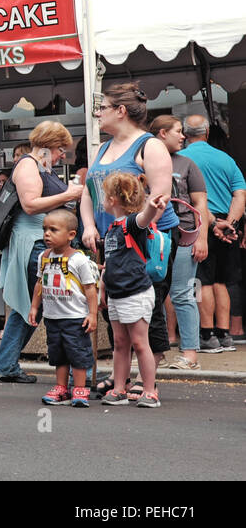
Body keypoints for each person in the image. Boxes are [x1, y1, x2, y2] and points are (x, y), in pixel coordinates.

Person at [79, 82, 178, 396]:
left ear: (120, 111)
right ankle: (121, 376)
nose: (97, 113)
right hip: (111, 238)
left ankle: (147, 376)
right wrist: (88, 226)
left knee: (148, 305)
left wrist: (132, 236)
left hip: (144, 240)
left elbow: (160, 200)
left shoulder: (150, 146)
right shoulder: (104, 147)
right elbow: (88, 191)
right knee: (116, 307)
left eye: (102, 107)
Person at [0, 121, 82, 383]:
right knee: (51, 303)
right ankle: (75, 372)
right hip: (34, 242)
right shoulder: (29, 165)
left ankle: (5, 364)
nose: (62, 155)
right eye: (60, 149)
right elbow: (30, 205)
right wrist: (69, 194)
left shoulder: (40, 165)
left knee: (30, 306)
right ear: (48, 146)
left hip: (38, 241)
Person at [95, 173, 167, 408]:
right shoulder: (113, 228)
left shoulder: (130, 223)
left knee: (139, 342)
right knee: (119, 343)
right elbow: (110, 263)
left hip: (135, 292)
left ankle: (149, 390)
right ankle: (119, 388)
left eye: (105, 196)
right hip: (117, 293)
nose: (102, 200)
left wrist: (151, 207)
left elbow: (144, 219)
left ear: (114, 199)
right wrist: (103, 287)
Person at [179, 114, 246, 353]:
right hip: (227, 227)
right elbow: (240, 194)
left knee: (204, 281)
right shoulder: (226, 159)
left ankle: (207, 335)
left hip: (199, 224)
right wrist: (231, 222)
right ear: (207, 132)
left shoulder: (181, 159)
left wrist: (215, 224)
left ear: (185, 134)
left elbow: (196, 200)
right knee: (223, 281)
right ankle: (224, 334)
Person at [149, 115, 210, 368]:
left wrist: (202, 238)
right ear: (162, 133)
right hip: (152, 236)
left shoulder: (187, 164)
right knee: (153, 295)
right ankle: (157, 353)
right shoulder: (145, 161)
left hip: (183, 235)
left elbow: (200, 204)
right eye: (177, 131)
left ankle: (190, 354)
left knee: (183, 294)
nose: (183, 136)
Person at [27, 210, 97, 408]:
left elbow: (90, 288)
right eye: (45, 229)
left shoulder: (79, 260)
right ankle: (61, 387)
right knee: (58, 353)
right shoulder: (44, 256)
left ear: (71, 235)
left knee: (78, 352)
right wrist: (34, 307)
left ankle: (80, 387)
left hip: (75, 316)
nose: (47, 234)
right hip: (52, 316)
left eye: (53, 230)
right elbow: (39, 283)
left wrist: (92, 314)